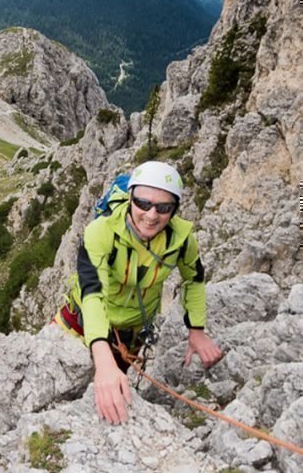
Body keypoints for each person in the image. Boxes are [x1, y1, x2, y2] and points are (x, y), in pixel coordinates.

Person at [53, 160, 222, 424]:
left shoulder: (181, 240)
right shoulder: (101, 232)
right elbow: (93, 292)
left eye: (163, 207)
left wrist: (197, 331)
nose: (151, 215)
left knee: (103, 410)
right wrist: (102, 357)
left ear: (174, 209)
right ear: (131, 199)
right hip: (80, 322)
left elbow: (195, 279)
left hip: (129, 338)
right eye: (143, 203)